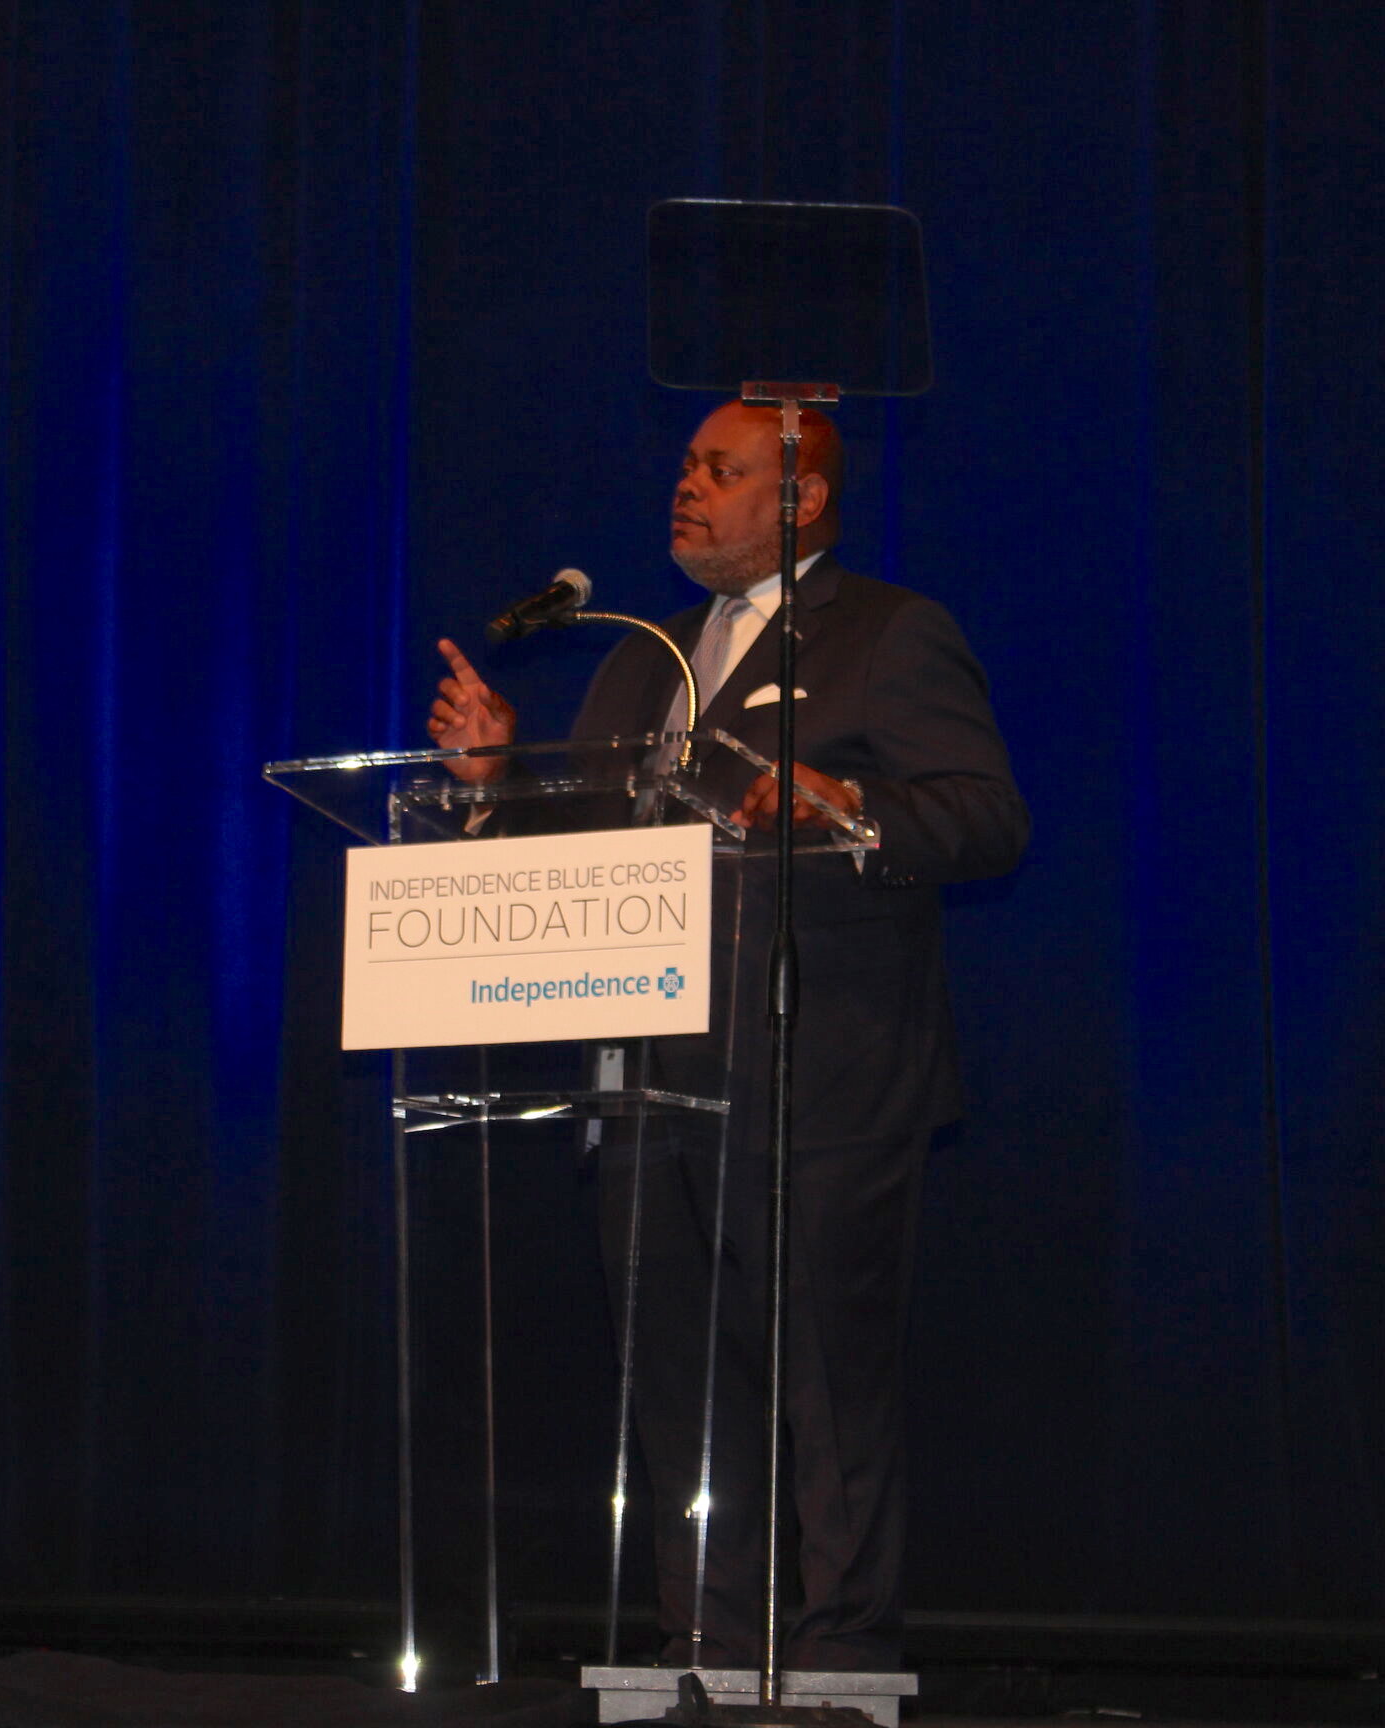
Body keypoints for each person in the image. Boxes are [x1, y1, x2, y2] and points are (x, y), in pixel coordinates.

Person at [425, 401, 1029, 1672]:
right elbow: (591, 856)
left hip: (826, 1079)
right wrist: (495, 786)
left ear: (802, 497)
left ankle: (840, 1659)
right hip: (652, 1077)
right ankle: (704, 1643)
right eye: (688, 465)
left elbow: (984, 817)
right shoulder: (646, 654)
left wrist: (851, 800)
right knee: (681, 1388)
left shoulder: (889, 633)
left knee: (825, 1382)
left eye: (722, 468)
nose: (686, 486)